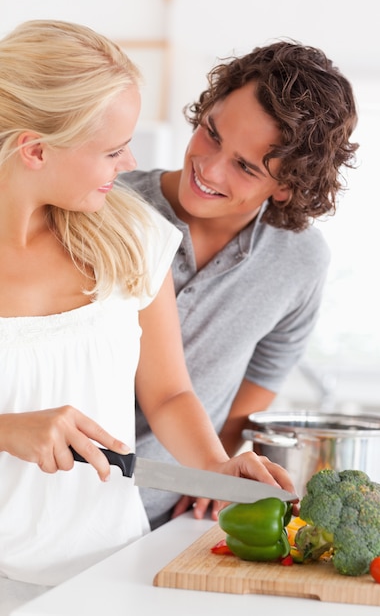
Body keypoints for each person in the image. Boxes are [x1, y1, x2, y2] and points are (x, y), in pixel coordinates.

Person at [0, 20, 297, 594]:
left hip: (110, 567)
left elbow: (168, 393)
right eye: (112, 149)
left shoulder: (131, 235)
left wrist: (214, 466)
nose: (130, 160)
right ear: (34, 149)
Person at [122, 39, 359, 529]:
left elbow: (265, 371)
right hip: (51, 502)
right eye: (211, 133)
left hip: (167, 519)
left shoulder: (300, 262)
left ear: (288, 185)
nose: (207, 168)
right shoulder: (111, 209)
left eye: (245, 166)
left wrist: (215, 471)